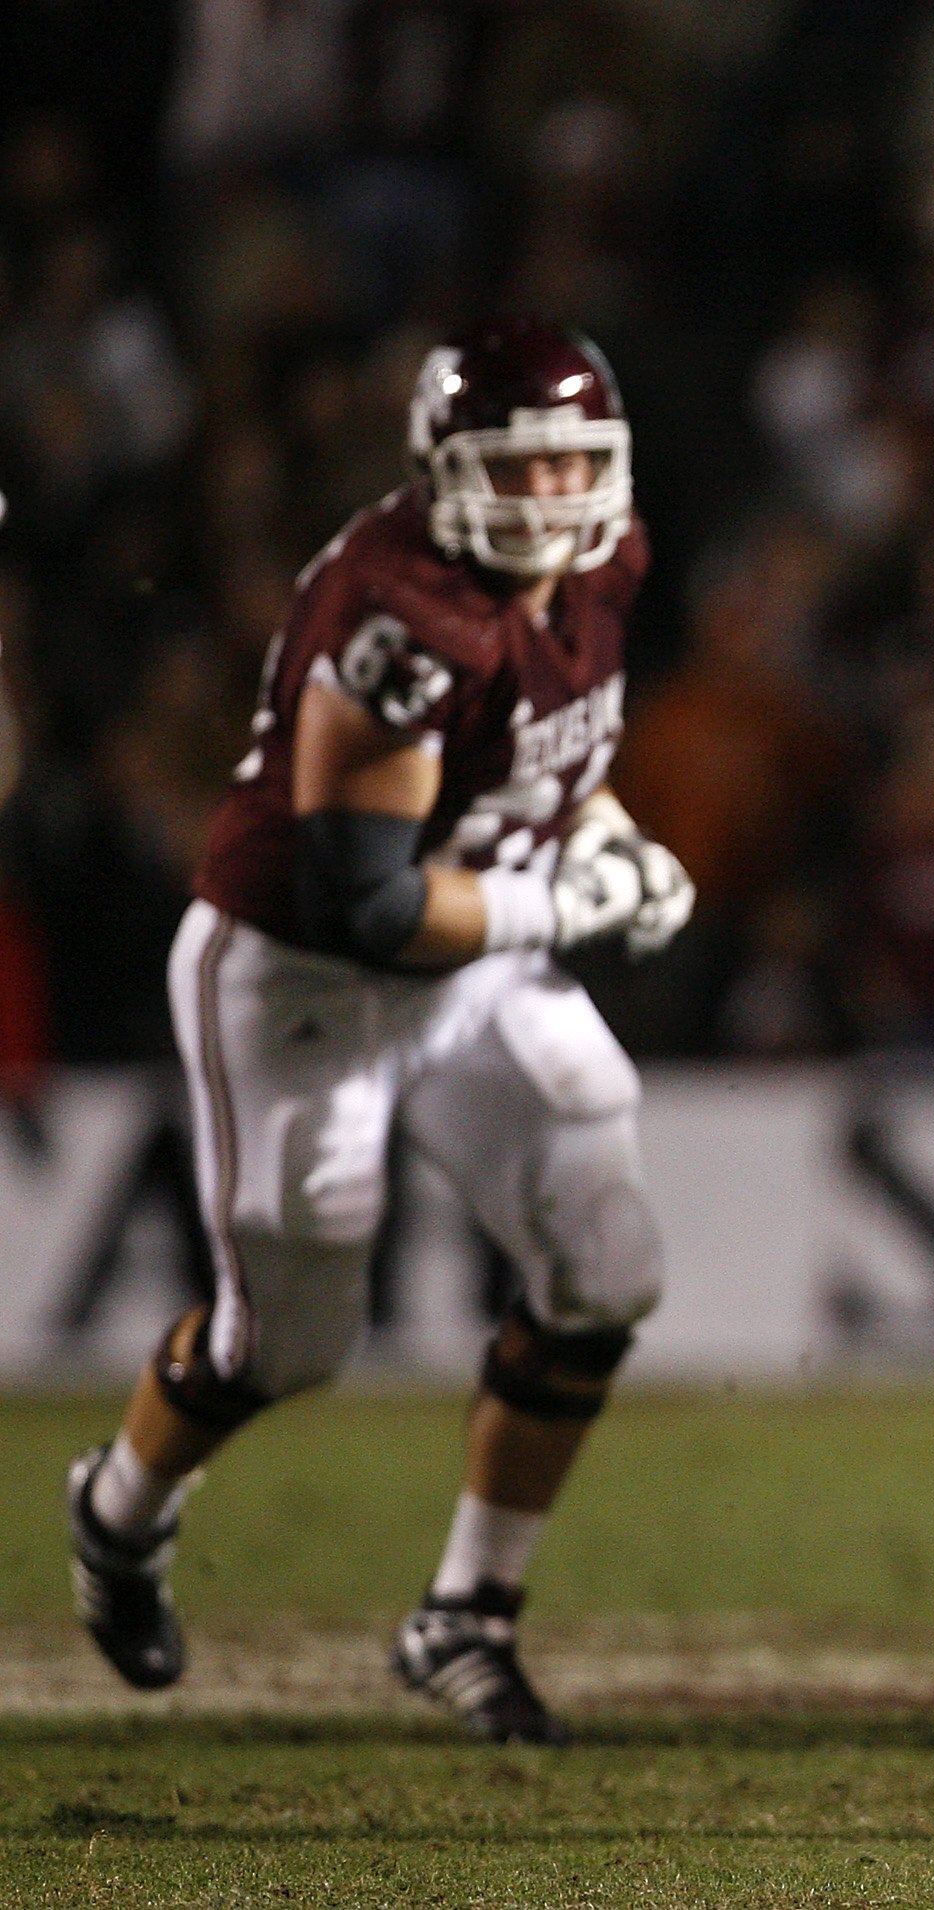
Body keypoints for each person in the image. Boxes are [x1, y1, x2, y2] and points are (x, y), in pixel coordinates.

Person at [62, 318, 694, 1745]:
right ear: (444, 470)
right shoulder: (401, 612)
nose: (553, 500)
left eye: (571, 466)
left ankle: (466, 1612)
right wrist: (565, 903)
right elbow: (364, 898)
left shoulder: (609, 562)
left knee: (607, 1260)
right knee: (284, 1342)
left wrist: (612, 846)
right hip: (301, 972)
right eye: (518, 471)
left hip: (473, 948)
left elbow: (550, 759)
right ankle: (119, 1509)